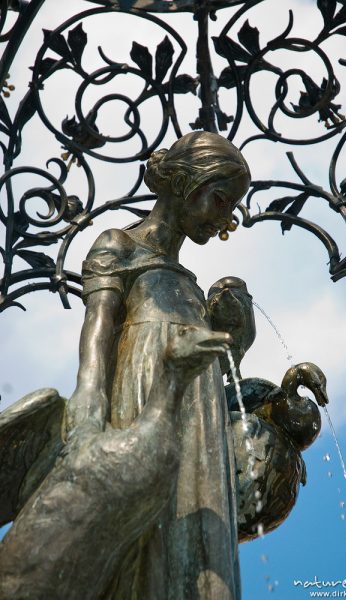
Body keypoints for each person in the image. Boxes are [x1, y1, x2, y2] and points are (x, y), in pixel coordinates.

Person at [67, 131, 251, 600]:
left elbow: (223, 382)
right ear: (187, 184)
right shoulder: (118, 244)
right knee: (149, 539)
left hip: (201, 413)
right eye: (221, 200)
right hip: (142, 397)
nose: (226, 221)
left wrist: (238, 343)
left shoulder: (192, 283)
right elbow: (98, 334)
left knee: (203, 537)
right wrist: (86, 416)